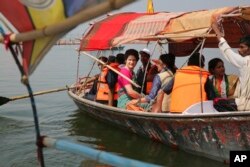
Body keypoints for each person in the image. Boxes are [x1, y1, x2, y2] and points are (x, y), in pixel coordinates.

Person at [212, 22, 250, 111]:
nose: (238, 50)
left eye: (242, 47)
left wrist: (217, 31)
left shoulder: (245, 61)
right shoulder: (211, 79)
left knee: (217, 102)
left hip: (246, 105)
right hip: (242, 102)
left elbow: (227, 51)